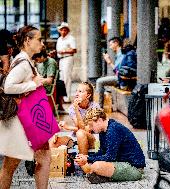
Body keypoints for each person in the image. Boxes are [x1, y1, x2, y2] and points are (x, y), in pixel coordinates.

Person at [1, 25, 50, 189]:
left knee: (44, 157)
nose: (42, 43)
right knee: (10, 166)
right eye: (39, 39)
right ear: (28, 41)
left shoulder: (25, 60)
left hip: (26, 120)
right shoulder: (22, 62)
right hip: (19, 122)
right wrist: (32, 84)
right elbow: (9, 87)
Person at [74, 108, 146, 183]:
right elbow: (102, 151)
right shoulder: (103, 131)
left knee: (96, 166)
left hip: (134, 168)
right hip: (121, 162)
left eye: (91, 125)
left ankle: (105, 177)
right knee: (93, 165)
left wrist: (88, 159)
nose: (91, 128)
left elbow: (110, 157)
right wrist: (87, 157)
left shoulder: (113, 130)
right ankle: (106, 177)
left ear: (99, 120)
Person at [53, 82, 100, 155]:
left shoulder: (95, 107)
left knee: (80, 133)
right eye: (76, 91)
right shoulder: (72, 108)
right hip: (77, 137)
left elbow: (86, 129)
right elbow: (79, 126)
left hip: (94, 139)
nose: (76, 94)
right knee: (56, 141)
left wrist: (68, 127)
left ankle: (83, 163)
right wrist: (75, 108)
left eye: (80, 91)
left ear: (88, 95)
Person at [96, 37, 124, 107]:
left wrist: (109, 62)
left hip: (122, 79)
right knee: (101, 82)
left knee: (99, 81)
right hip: (121, 77)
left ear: (116, 43)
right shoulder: (119, 53)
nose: (110, 47)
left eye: (111, 45)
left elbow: (118, 71)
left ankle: (99, 107)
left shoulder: (121, 54)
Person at [56, 22, 77, 103]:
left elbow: (74, 50)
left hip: (68, 58)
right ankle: (62, 97)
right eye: (62, 30)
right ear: (60, 31)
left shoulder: (71, 38)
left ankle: (67, 97)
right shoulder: (59, 39)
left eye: (65, 30)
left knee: (67, 78)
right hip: (61, 59)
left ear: (67, 31)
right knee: (61, 78)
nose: (63, 31)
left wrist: (64, 51)